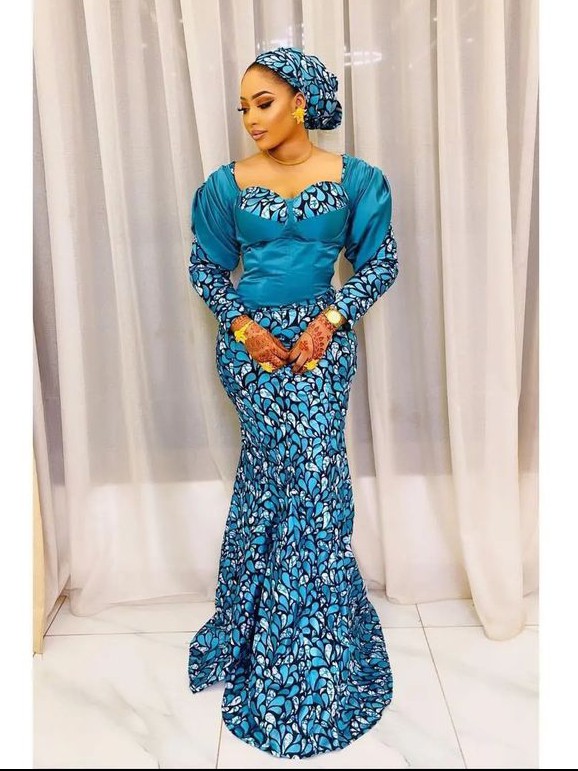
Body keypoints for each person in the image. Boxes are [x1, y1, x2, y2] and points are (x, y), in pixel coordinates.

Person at [187, 46, 399, 760]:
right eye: (243, 107)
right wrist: (243, 328)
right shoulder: (225, 185)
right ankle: (263, 632)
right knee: (285, 479)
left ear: (300, 102)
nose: (250, 118)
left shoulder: (356, 179)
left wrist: (330, 320)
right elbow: (206, 267)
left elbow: (381, 261)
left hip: (322, 348)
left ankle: (309, 648)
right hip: (249, 353)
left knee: (306, 481)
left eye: (264, 102)